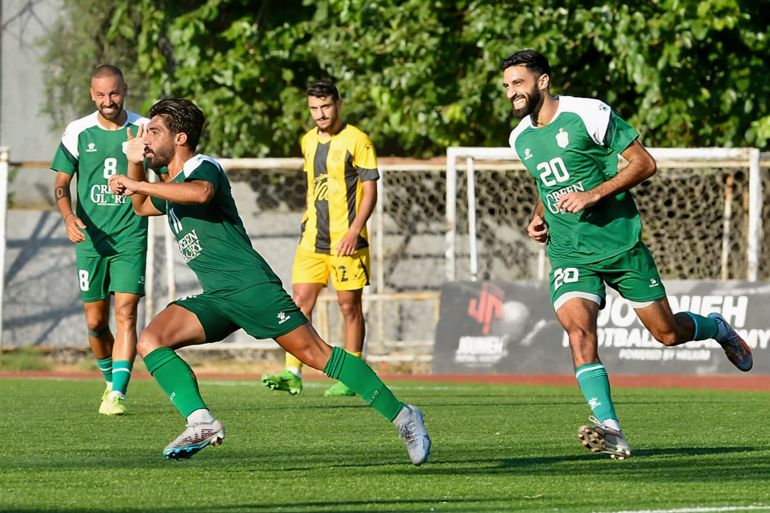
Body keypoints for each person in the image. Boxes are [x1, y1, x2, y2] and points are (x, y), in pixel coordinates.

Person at [108, 98, 431, 464]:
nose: (146, 138)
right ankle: (201, 421)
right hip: (219, 295)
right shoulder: (169, 186)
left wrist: (139, 183)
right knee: (152, 339)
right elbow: (138, 205)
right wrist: (133, 157)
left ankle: (404, 416)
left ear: (180, 137)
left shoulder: (201, 167)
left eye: (154, 132)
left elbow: (200, 193)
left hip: (252, 288)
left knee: (317, 355)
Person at [501, 49, 753, 459]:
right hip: (569, 252)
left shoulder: (588, 114)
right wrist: (538, 216)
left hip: (620, 244)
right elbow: (547, 184)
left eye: (519, 82)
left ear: (542, 81)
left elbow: (644, 163)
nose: (512, 92)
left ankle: (718, 329)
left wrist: (594, 194)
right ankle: (610, 427)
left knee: (667, 333)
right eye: (508, 85)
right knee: (579, 332)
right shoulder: (520, 138)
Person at [261, 79, 378, 397]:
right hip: (312, 240)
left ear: (338, 103)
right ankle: (292, 371)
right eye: (314, 108)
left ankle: (352, 374)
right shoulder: (307, 141)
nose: (320, 114)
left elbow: (370, 190)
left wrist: (355, 230)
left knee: (349, 307)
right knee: (298, 303)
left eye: (326, 106)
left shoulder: (358, 140)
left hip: (347, 241)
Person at [51, 64, 150, 416]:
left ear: (125, 89)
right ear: (92, 95)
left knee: (126, 313)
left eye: (114, 93)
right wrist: (68, 216)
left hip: (130, 236)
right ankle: (109, 379)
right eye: (101, 94)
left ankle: (118, 394)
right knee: (95, 322)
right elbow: (62, 184)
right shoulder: (78, 131)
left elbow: (167, 172)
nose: (109, 100)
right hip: (90, 241)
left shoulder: (143, 129)